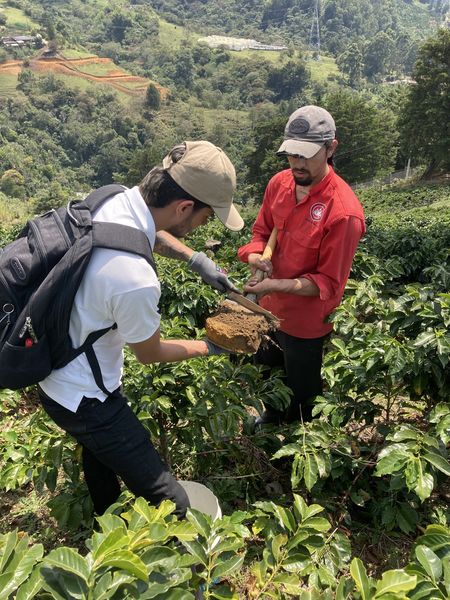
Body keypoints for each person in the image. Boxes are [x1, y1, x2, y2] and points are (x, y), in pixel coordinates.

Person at [37, 140, 244, 519]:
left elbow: (146, 231)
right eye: (205, 218)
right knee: (169, 498)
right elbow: (149, 354)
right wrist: (212, 346)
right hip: (86, 397)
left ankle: (107, 517)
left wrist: (194, 259)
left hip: (55, 370)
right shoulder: (134, 278)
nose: (202, 227)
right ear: (184, 207)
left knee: (100, 453)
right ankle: (192, 567)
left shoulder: (110, 197)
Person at [237, 105, 365, 425]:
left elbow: (327, 283)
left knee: (302, 391)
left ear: (331, 147)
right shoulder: (279, 184)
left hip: (305, 324)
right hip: (267, 309)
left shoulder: (344, 213)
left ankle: (300, 443)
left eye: (306, 154)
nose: (297, 162)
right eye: (292, 153)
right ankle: (271, 420)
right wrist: (254, 255)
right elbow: (261, 231)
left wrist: (273, 285)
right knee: (270, 375)